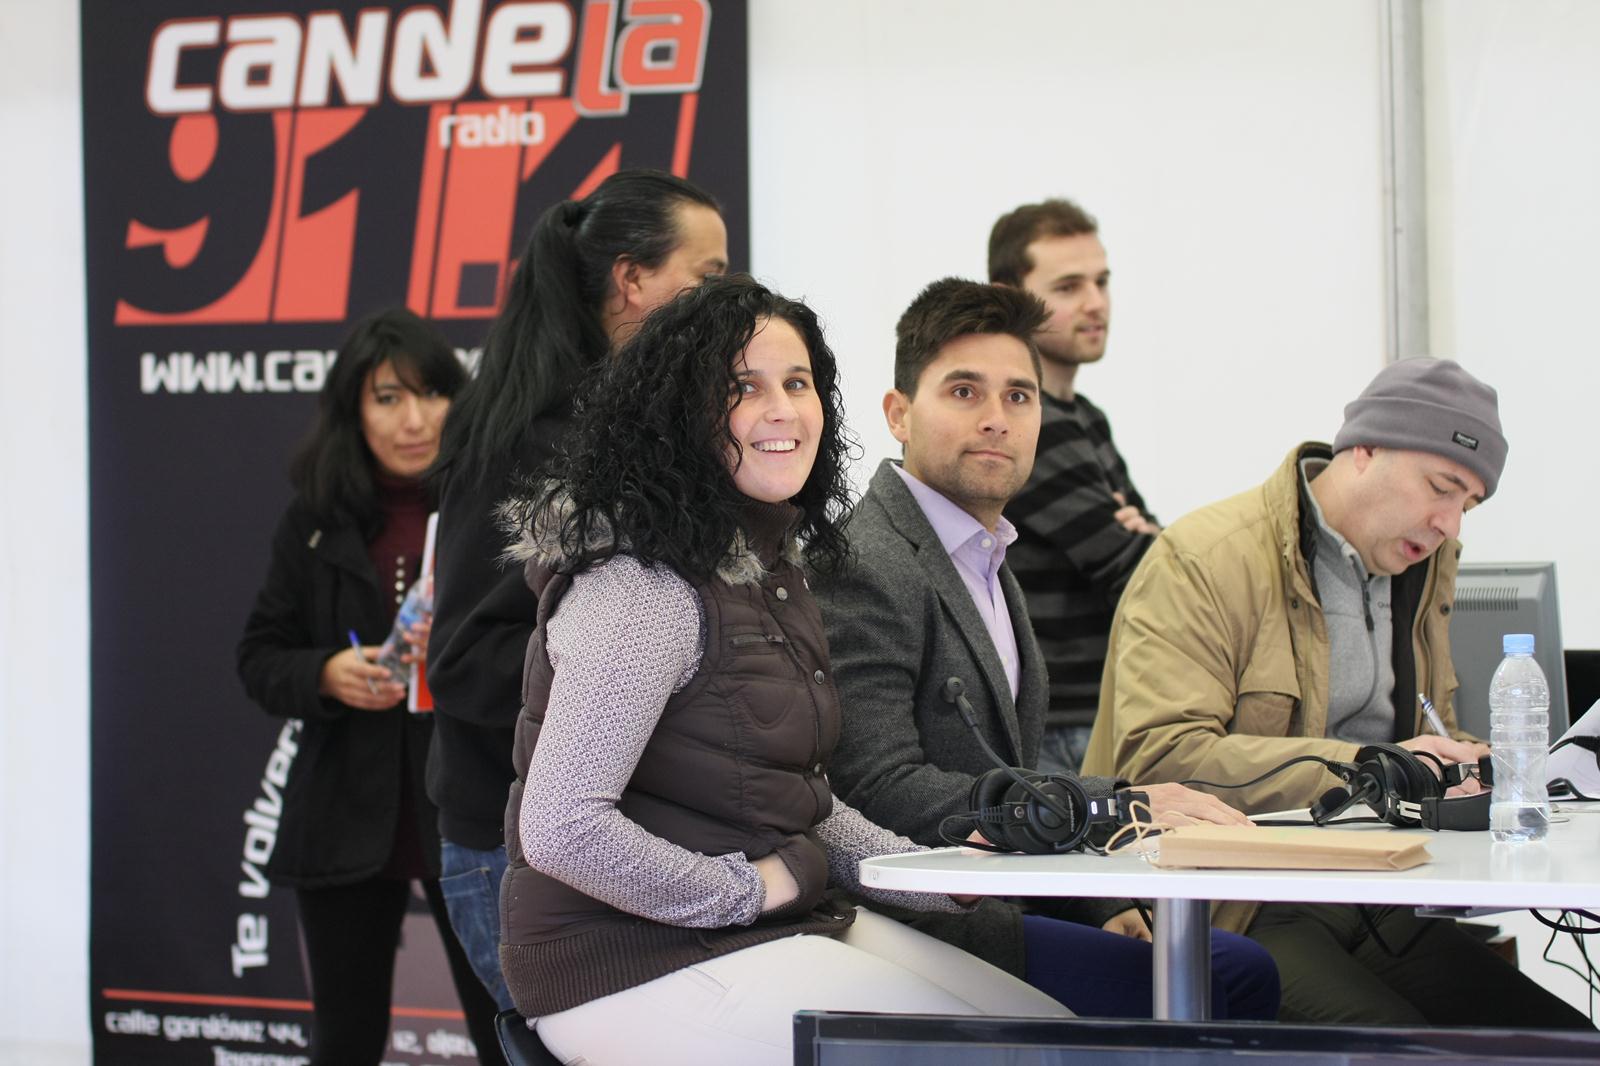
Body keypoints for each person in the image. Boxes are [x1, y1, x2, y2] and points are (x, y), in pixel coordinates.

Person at [499, 275, 1076, 1066]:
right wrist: (747, 890)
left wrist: (940, 877)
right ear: (678, 416)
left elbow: (798, 805)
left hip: (769, 926)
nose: (784, 410)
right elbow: (563, 830)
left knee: (1054, 1039)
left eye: (798, 383)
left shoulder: (768, 568)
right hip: (622, 962)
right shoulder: (643, 584)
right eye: (743, 387)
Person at [815, 277, 1278, 1020]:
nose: (997, 419)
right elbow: (880, 787)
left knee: (1229, 964)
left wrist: (1096, 902)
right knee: (1231, 977)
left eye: (1019, 397)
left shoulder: (985, 555)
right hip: (923, 918)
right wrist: (1110, 807)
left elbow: (1007, 770)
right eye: (964, 392)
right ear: (899, 413)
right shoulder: (865, 562)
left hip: (1008, 893)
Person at [1084, 357, 1592, 1028]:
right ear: (1364, 450)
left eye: (1467, 505)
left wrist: (1474, 764)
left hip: (1373, 888)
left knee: (1558, 1040)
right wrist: (1371, 772)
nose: (1451, 524)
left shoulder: (1416, 568)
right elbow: (1161, 761)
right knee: (1402, 1048)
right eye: (1441, 487)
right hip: (1237, 899)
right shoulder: (1204, 559)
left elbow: (1417, 728)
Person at [424, 169, 728, 1011]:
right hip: (512, 853)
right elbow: (462, 662)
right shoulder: (529, 441)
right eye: (708, 278)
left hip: (623, 846)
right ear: (631, 279)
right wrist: (625, 673)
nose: (727, 301)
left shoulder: (646, 436)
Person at [236, 309, 503, 1065]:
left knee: (507, 1031)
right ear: (355, 409)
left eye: (430, 393)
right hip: (346, 817)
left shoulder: (489, 510)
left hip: (468, 809)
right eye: (388, 398)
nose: (414, 419)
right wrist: (325, 674)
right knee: (346, 1041)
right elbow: (257, 654)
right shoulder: (315, 522)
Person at [988, 199, 1159, 774]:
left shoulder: (1084, 416)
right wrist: (1141, 535)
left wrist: (1149, 537)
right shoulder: (1023, 427)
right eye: (1067, 287)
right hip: (1060, 730)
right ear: (1009, 295)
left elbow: (1156, 555)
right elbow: (1143, 569)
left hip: (1101, 716)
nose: (1095, 302)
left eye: (1102, 281)